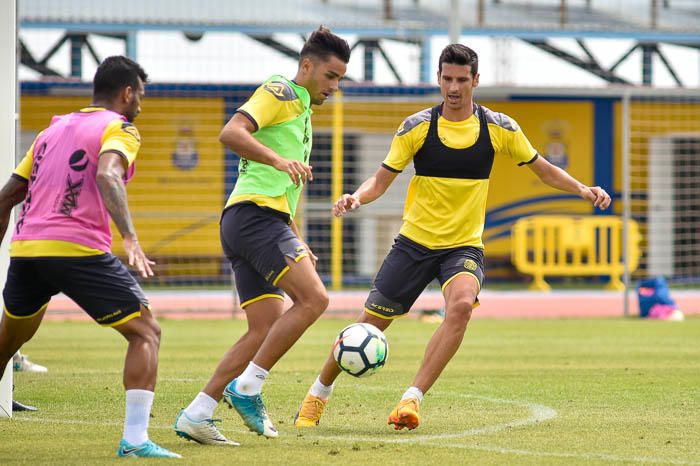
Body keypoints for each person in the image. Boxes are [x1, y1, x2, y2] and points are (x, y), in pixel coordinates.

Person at [293, 43, 612, 431]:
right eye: (447, 79)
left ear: (476, 80)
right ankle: (317, 394)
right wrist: (356, 197)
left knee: (460, 306)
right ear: (439, 79)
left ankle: (411, 400)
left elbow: (543, 169)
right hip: (414, 243)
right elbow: (381, 180)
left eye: (462, 80)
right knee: (367, 327)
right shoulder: (417, 127)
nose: (454, 87)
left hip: (462, 247)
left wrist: (582, 189)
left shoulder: (499, 127)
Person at [173, 26, 350, 445]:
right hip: (254, 220)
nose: (335, 87)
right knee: (315, 299)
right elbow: (231, 132)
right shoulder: (281, 91)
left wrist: (295, 234)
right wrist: (279, 160)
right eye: (330, 75)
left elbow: (281, 189)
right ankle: (248, 386)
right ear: (307, 66)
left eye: (340, 79)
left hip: (252, 222)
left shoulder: (302, 111)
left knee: (262, 327)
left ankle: (198, 412)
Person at [0, 56, 180, 458]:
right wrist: (130, 237)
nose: (141, 106)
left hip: (28, 250)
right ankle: (135, 441)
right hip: (78, 250)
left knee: (6, 342)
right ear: (127, 93)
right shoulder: (121, 128)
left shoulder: (53, 128)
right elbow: (108, 174)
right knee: (146, 332)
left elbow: (9, 195)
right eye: (141, 97)